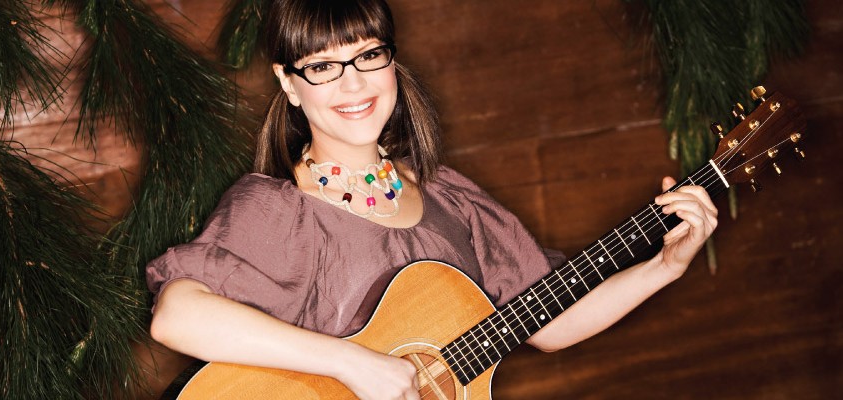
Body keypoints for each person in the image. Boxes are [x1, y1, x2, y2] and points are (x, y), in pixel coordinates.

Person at [147, 0, 719, 399]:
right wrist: (351, 363)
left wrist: (664, 267)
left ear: (391, 62)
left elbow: (547, 323)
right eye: (323, 66)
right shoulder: (277, 209)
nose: (353, 83)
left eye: (369, 55)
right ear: (289, 83)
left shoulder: (450, 196)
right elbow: (178, 316)